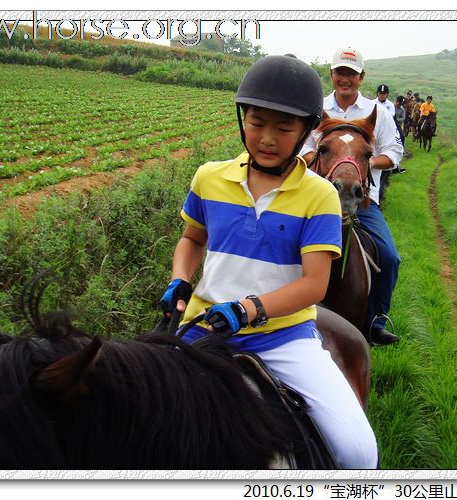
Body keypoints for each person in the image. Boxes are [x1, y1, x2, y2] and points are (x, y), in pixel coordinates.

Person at [160, 54, 378, 469]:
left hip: (284, 339)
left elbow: (315, 285)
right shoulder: (209, 177)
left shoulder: (320, 195)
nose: (266, 138)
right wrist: (179, 279)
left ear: (307, 131)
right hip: (204, 328)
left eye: (283, 128)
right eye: (257, 123)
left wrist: (249, 309)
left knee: (358, 451)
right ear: (243, 118)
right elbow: (191, 239)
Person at [300, 47, 403, 347]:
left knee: (389, 257)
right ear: (331, 75)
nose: (345, 79)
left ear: (361, 77)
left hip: (361, 200)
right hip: (317, 198)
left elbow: (394, 153)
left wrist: (360, 164)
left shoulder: (379, 113)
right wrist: (320, 159)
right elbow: (302, 146)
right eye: (340, 72)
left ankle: (375, 321)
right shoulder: (316, 109)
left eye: (351, 73)